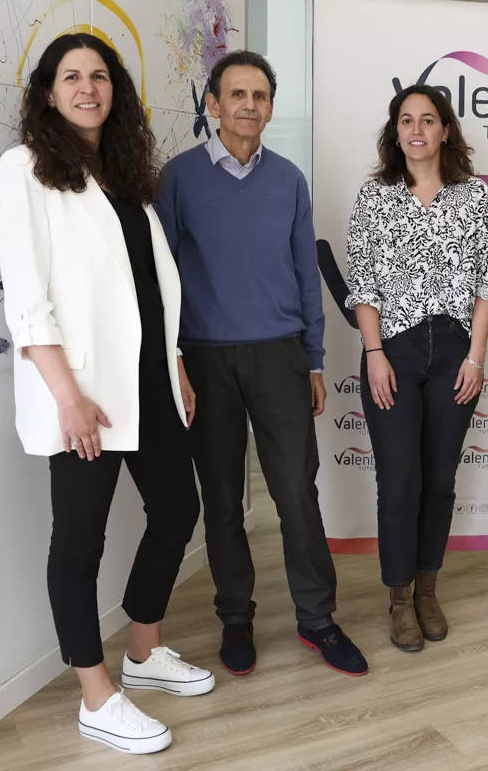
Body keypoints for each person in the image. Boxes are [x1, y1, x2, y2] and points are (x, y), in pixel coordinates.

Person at [0, 33, 212, 756]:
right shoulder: (24, 170)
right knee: (79, 543)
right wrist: (66, 397)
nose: (88, 87)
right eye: (71, 76)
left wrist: (175, 362)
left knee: (179, 510)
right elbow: (28, 298)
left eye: (99, 76)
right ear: (48, 93)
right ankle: (96, 695)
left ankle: (143, 652)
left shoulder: (121, 177)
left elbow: (149, 290)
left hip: (149, 380)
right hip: (85, 391)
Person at [156, 50, 367, 678]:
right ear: (213, 105)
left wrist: (314, 360)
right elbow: (160, 278)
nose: (250, 105)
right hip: (206, 356)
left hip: (280, 355)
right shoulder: (179, 179)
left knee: (297, 493)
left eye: (261, 95)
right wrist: (173, 362)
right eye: (237, 94)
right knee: (221, 498)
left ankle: (318, 621)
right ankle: (235, 617)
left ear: (271, 107)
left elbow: (307, 275)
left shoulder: (289, 181)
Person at [344, 84, 488, 653]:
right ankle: (399, 597)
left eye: (428, 120)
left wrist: (476, 358)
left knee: (439, 481)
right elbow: (361, 282)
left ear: (445, 131)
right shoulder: (375, 197)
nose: (416, 130)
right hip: (393, 352)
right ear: (396, 132)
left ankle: (428, 589)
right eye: (406, 120)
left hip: (455, 352)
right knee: (401, 482)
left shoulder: (474, 197)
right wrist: (374, 353)